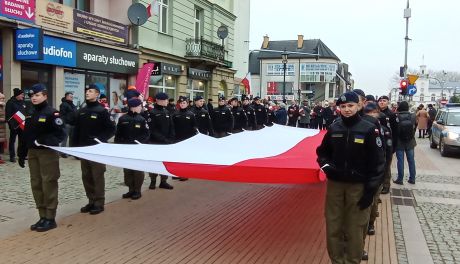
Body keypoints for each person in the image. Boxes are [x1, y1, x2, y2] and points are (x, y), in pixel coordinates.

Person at [316, 91, 384, 264]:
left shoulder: (369, 129)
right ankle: (337, 260)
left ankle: (353, 260)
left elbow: (378, 163)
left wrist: (370, 191)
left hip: (358, 187)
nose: (346, 109)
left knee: (355, 228)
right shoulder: (334, 128)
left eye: (350, 106)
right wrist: (327, 167)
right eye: (343, 106)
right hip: (336, 185)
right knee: (334, 226)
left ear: (359, 106)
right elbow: (322, 153)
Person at [18, 84, 66, 232]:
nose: (34, 98)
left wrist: (45, 140)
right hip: (33, 153)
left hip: (47, 153)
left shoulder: (52, 113)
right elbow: (25, 135)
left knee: (48, 183)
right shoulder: (29, 112)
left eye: (37, 95)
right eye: (32, 95)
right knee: (36, 184)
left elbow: (61, 134)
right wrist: (21, 152)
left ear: (45, 96)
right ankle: (42, 215)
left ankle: (50, 217)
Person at [72, 84, 116, 215]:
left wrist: (100, 140)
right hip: (84, 149)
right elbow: (76, 130)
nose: (87, 93)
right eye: (86, 91)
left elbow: (111, 129)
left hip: (97, 149)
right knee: (86, 176)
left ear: (97, 94)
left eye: (90, 91)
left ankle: (99, 202)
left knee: (97, 176)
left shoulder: (102, 111)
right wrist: (75, 148)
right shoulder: (82, 111)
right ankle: (91, 201)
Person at [115, 98, 149, 200]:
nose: (141, 108)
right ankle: (130, 189)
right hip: (126, 149)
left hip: (138, 149)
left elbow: (147, 135)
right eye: (140, 106)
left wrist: (140, 143)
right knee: (127, 170)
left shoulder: (142, 119)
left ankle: (137, 190)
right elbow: (118, 134)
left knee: (138, 171)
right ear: (134, 107)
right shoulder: (123, 119)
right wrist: (118, 146)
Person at [147, 92, 175, 190]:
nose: (167, 101)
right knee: (154, 162)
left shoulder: (167, 112)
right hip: (155, 142)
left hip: (166, 142)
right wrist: (163, 139)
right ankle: (153, 181)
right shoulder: (152, 113)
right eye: (166, 100)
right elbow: (152, 130)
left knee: (165, 162)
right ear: (159, 101)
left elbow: (171, 126)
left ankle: (163, 181)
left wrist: (171, 138)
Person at [393, 101, 417, 185]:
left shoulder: (396, 116)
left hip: (399, 141)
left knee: (400, 160)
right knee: (411, 160)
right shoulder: (413, 116)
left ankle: (400, 179)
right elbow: (414, 127)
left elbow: (395, 130)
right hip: (410, 141)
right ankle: (412, 179)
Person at [377, 96, 397, 194]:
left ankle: (386, 185)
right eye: (380, 101)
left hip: (388, 143)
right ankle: (378, 185)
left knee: (386, 165)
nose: (382, 102)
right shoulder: (375, 113)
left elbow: (396, 131)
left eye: (384, 101)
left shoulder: (391, 115)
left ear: (388, 102)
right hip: (378, 143)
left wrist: (394, 146)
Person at [5, 88, 26, 162]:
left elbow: (24, 111)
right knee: (12, 140)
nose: (23, 96)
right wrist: (11, 124)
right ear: (17, 95)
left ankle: (21, 155)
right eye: (22, 95)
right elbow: (8, 115)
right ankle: (12, 156)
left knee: (22, 140)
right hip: (14, 125)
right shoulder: (10, 102)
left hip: (22, 124)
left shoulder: (22, 102)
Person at [0, 92, 6, 164]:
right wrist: (2, 119)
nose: (3, 99)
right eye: (2, 98)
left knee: (1, 144)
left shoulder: (2, 106)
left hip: (2, 127)